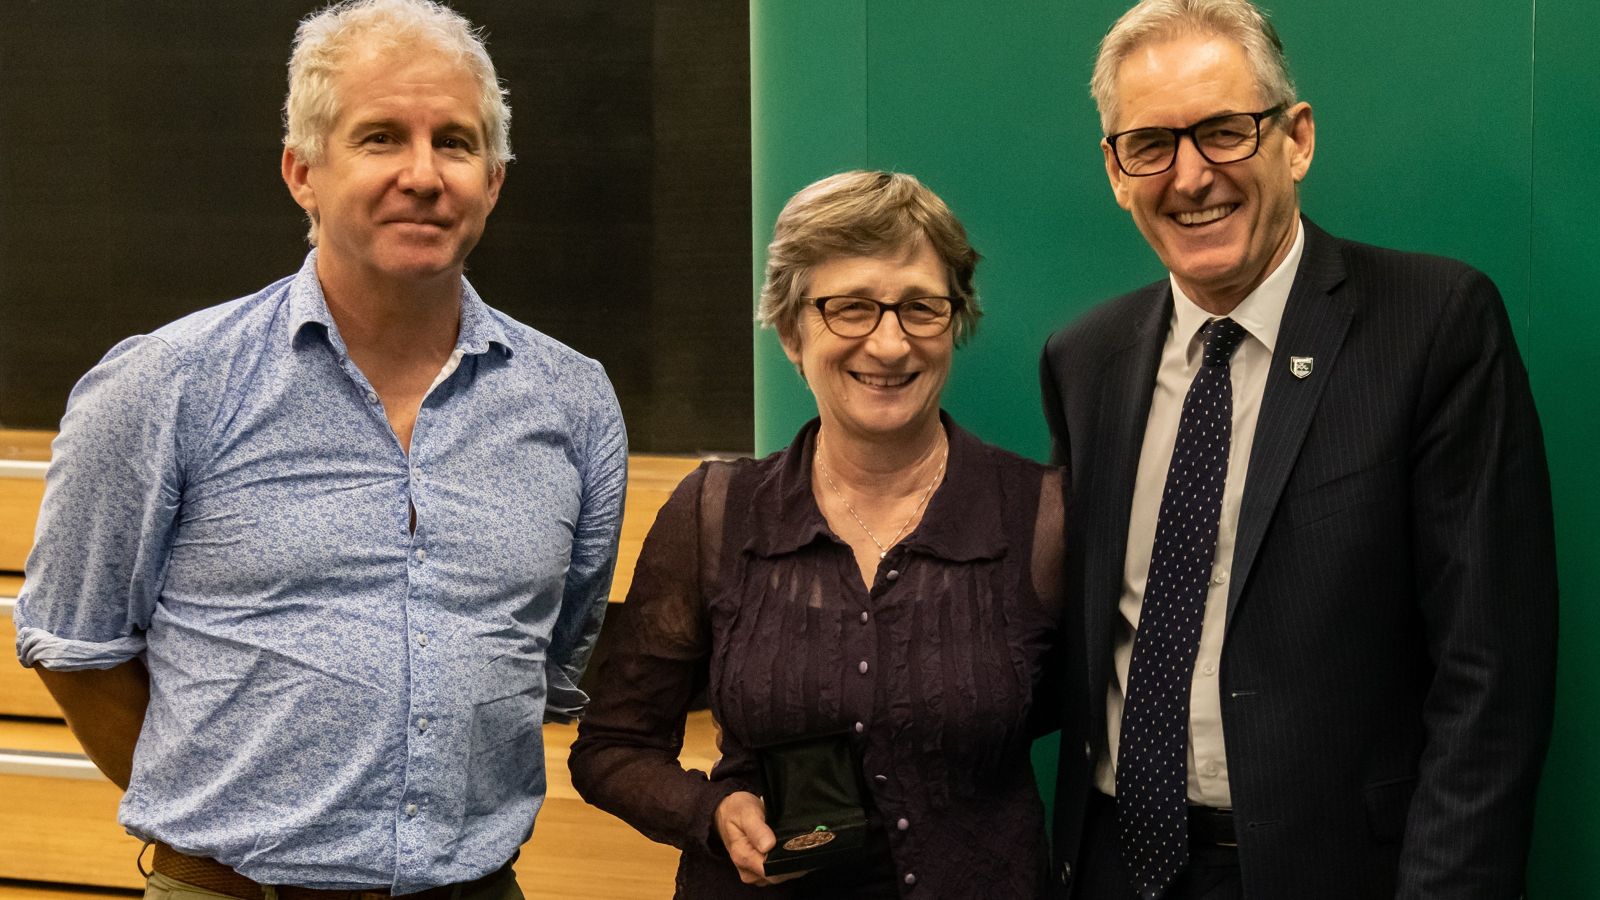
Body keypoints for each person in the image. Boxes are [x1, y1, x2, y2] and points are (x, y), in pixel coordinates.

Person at [13, 1, 627, 897]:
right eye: (380, 137)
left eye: (456, 143)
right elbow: (76, 646)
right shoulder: (167, 383)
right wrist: (224, 820)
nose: (424, 175)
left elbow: (555, 656)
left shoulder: (574, 401)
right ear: (302, 171)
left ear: (493, 181)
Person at [1039, 1, 1558, 897]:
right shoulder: (1085, 359)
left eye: (1224, 131)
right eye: (1151, 145)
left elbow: (1492, 676)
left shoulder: (1433, 326)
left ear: (1297, 139)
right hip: (1113, 867)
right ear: (1117, 172)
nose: (1191, 176)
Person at [569, 170, 1075, 898]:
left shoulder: (1044, 519)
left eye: (920, 308)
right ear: (790, 332)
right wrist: (711, 812)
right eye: (851, 308)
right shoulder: (716, 514)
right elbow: (613, 747)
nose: (890, 344)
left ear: (955, 322)